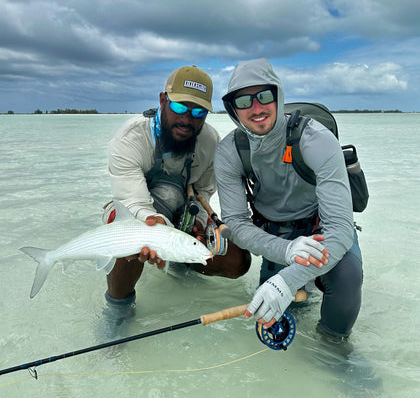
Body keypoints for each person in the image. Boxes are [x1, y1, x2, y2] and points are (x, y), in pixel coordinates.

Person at [214, 58, 363, 340]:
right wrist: (286, 251)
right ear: (233, 109)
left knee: (347, 279)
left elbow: (341, 229)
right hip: (276, 237)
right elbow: (235, 222)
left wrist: (288, 280)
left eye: (264, 96)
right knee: (274, 317)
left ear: (278, 95)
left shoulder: (317, 140)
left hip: (322, 230)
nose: (256, 108)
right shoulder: (228, 152)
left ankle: (334, 352)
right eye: (244, 101)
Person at [101, 65, 251, 334]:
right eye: (181, 108)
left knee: (238, 261)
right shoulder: (130, 138)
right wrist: (156, 228)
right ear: (162, 100)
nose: (188, 120)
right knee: (130, 237)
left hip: (183, 214)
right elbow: (132, 203)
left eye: (198, 112)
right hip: (136, 214)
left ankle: (182, 267)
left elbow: (204, 192)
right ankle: (118, 305)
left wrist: (199, 224)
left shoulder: (210, 141)